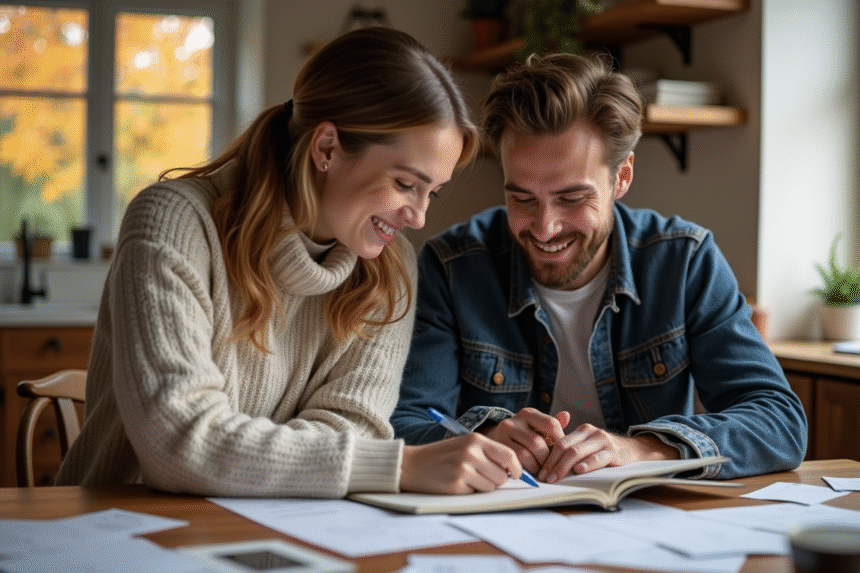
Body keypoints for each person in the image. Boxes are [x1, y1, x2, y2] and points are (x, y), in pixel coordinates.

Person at [56, 27, 529, 497]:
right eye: (406, 184)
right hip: (124, 528)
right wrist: (394, 466)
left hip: (279, 529)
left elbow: (356, 427)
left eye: (432, 192)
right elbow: (179, 443)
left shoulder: (391, 267)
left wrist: (243, 459)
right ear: (326, 148)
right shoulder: (173, 222)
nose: (419, 215)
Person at [391, 52, 807, 483]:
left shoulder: (684, 262)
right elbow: (401, 423)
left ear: (622, 177)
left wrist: (644, 449)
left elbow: (779, 423)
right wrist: (485, 436)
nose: (545, 228)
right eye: (522, 198)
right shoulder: (452, 267)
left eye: (572, 199)